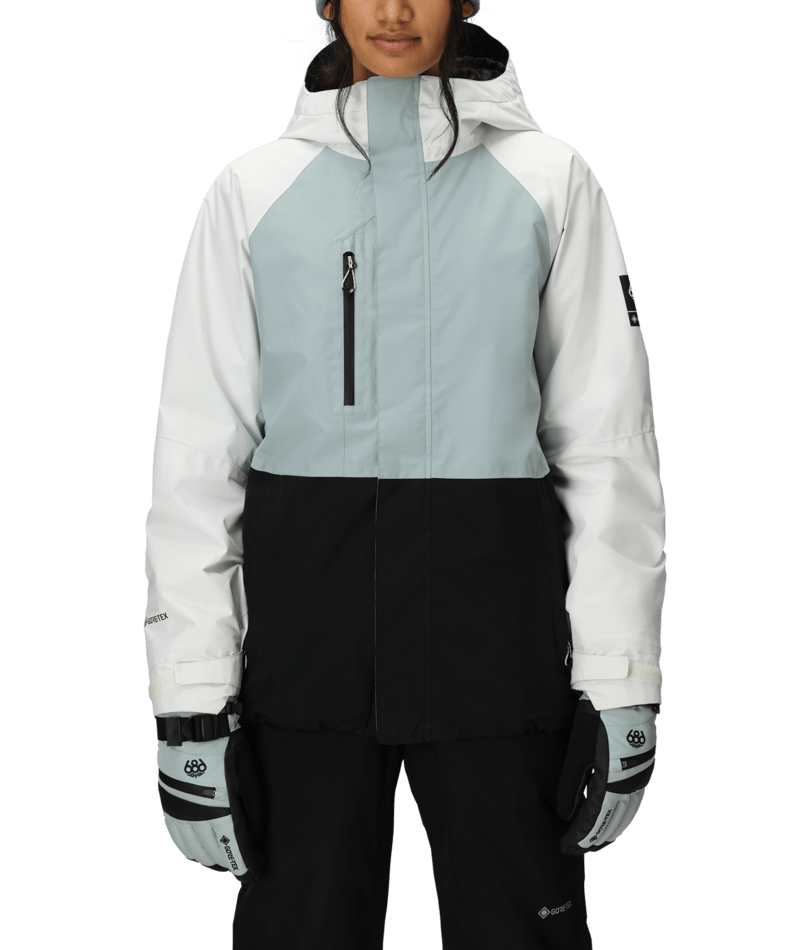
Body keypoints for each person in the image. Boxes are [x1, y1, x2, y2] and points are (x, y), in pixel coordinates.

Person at [142, 2, 667, 948]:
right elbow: (196, 458)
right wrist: (189, 698)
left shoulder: (551, 180)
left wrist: (622, 678)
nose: (392, 11)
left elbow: (607, 442)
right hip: (302, 665)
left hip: (501, 660)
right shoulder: (252, 191)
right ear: (328, 4)